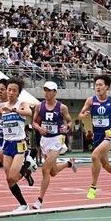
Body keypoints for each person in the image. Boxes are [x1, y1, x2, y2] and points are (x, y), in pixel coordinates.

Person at [0, 76, 33, 213]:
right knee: (9, 179)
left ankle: (27, 165)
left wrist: (14, 111)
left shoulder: (22, 104)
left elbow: (29, 113)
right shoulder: (2, 107)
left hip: (19, 144)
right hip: (6, 144)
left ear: (18, 92)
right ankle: (23, 205)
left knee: (12, 176)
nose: (10, 93)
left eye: (14, 90)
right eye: (9, 90)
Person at [78, 74, 111, 199]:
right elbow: (80, 114)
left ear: (107, 87)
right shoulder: (90, 100)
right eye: (96, 85)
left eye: (100, 85)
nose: (98, 87)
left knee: (94, 156)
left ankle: (93, 188)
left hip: (109, 135)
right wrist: (83, 116)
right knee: (105, 165)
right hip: (97, 135)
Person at [31, 81, 76, 209]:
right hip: (45, 139)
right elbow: (34, 122)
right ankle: (69, 163)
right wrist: (39, 128)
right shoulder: (39, 106)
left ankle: (39, 200)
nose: (46, 92)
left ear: (55, 92)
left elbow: (70, 122)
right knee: (53, 172)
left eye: (49, 90)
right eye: (45, 90)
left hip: (57, 139)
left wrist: (66, 127)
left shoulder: (62, 107)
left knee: (45, 169)